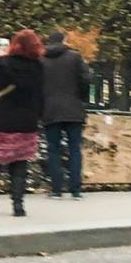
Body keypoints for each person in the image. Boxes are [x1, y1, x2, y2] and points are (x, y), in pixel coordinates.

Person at [0, 29, 44, 218]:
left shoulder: (3, 63)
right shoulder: (39, 67)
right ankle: (18, 205)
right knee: (19, 163)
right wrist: (39, 116)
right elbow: (41, 94)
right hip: (26, 121)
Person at [41, 32, 92, 200]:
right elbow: (86, 79)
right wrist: (80, 98)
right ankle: (75, 189)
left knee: (53, 149)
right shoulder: (75, 57)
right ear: (64, 40)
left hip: (50, 109)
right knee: (74, 149)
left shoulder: (42, 59)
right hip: (73, 108)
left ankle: (56, 189)